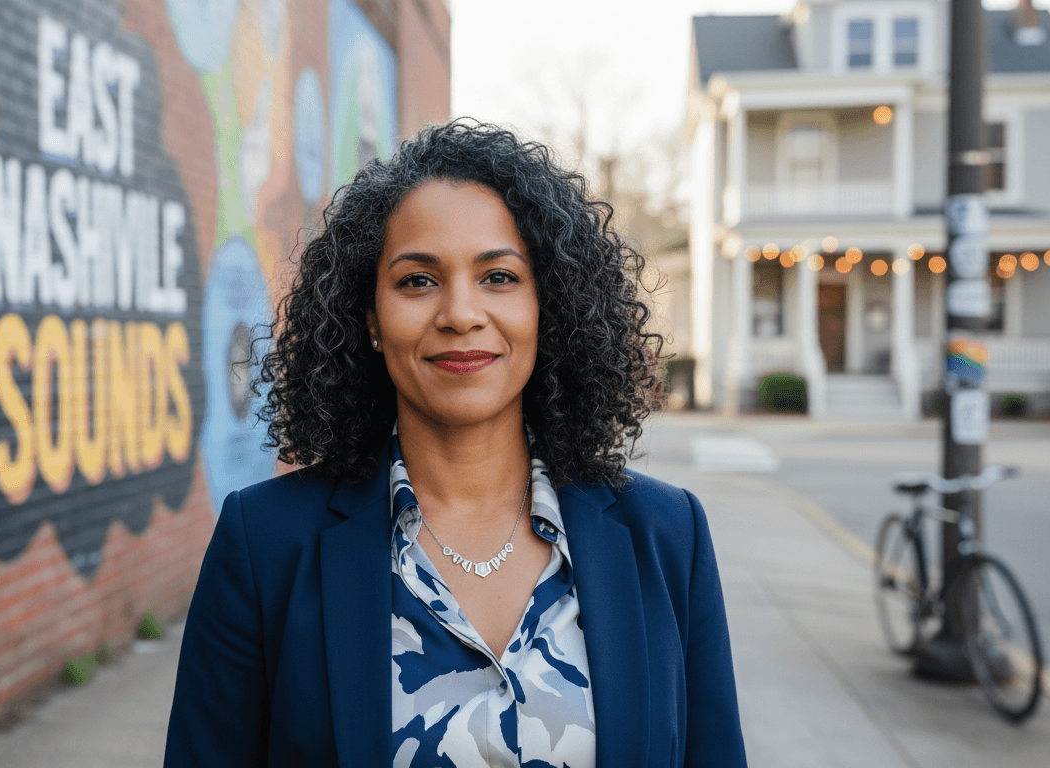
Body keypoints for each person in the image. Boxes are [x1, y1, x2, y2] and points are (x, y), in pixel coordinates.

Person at [163, 121, 747, 767]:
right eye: (418, 280)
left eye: (499, 277)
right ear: (371, 321)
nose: (461, 313)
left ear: (546, 307)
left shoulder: (667, 537)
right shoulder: (266, 545)